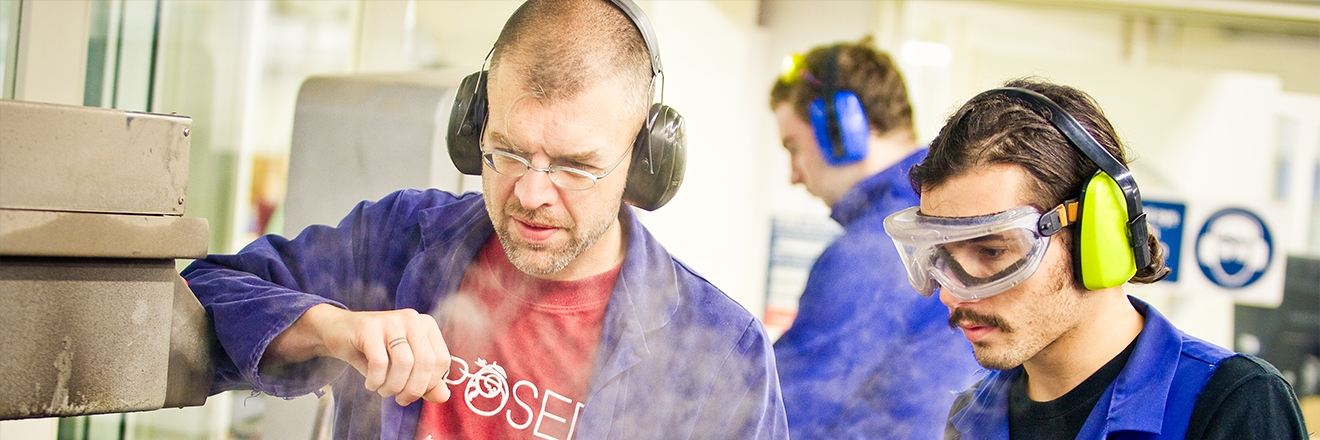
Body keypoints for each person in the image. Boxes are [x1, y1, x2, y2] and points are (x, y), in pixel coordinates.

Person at [182, 1, 788, 439]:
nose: (530, 192)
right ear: (474, 129)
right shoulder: (399, 239)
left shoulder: (720, 354)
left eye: (575, 166)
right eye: (507, 151)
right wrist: (333, 329)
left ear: (644, 163)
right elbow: (202, 296)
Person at [885, 78, 1311, 439]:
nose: (952, 295)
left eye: (992, 251)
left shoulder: (1232, 403)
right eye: (941, 255)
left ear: (1098, 234)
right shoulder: (972, 417)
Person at [766, 37, 980, 439]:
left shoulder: (877, 248)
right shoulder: (947, 218)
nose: (794, 175)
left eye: (793, 148)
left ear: (840, 131)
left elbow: (774, 416)